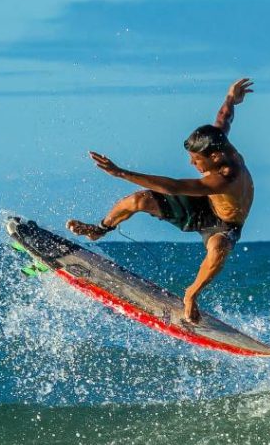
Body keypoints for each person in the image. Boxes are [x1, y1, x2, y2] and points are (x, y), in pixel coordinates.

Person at [67, 78, 256, 323]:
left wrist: (121, 172)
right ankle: (100, 229)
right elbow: (224, 118)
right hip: (205, 204)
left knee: (219, 248)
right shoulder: (218, 140)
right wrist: (231, 98)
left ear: (216, 156)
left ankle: (191, 294)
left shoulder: (223, 179)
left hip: (224, 224)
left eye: (197, 160)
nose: (192, 163)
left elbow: (175, 186)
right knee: (139, 200)